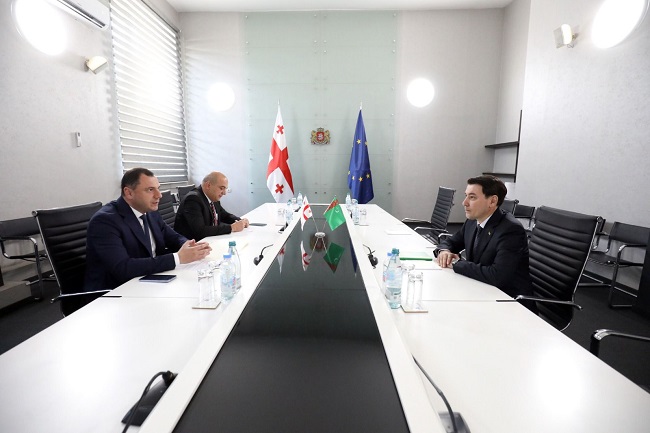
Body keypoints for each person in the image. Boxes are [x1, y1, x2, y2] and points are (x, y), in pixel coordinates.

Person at [85, 168, 211, 291]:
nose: (159, 195)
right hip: (116, 292)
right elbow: (122, 268)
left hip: (150, 281)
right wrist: (178, 258)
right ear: (129, 193)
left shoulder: (150, 212)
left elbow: (172, 237)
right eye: (150, 190)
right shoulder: (105, 221)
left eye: (158, 188)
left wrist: (190, 246)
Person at [435, 175, 536, 309]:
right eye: (466, 196)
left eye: (472, 197)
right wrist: (444, 252)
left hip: (509, 303)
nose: (464, 202)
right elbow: (451, 242)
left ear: (492, 201)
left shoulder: (511, 230)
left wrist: (456, 263)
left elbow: (497, 276)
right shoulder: (473, 221)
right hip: (481, 291)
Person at [174, 171, 249, 241]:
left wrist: (240, 221)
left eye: (225, 189)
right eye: (221, 188)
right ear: (208, 185)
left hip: (209, 240)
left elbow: (225, 215)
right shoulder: (193, 199)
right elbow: (200, 231)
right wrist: (231, 228)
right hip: (192, 244)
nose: (224, 193)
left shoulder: (212, 197)